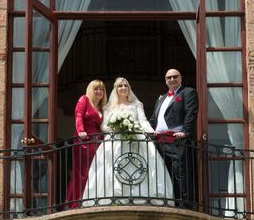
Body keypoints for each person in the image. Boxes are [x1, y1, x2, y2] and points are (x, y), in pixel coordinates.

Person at [82, 77, 173, 206]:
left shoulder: (136, 104)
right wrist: (118, 125)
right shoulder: (108, 106)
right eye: (120, 86)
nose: (123, 88)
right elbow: (104, 127)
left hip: (135, 139)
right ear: (116, 89)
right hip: (115, 142)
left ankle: (140, 196)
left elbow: (143, 121)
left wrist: (150, 131)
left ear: (129, 88)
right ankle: (114, 197)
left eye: (125, 86)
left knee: (142, 164)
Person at [149, 68, 199, 208]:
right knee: (164, 174)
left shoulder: (188, 92)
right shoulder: (162, 97)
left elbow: (191, 113)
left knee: (181, 174)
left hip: (176, 141)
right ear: (165, 81)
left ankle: (186, 207)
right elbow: (154, 119)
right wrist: (147, 130)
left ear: (181, 78)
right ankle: (171, 204)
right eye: (168, 77)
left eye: (175, 76)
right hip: (160, 142)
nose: (172, 79)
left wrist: (186, 132)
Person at [65, 79, 107, 209]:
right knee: (82, 173)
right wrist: (81, 131)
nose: (99, 91)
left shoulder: (101, 107)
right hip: (84, 140)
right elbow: (78, 115)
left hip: (97, 142)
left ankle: (89, 200)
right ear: (90, 90)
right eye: (96, 89)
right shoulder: (84, 100)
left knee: (95, 172)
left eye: (101, 89)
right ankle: (74, 203)